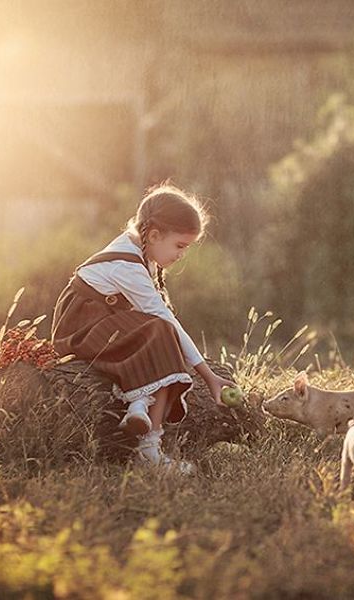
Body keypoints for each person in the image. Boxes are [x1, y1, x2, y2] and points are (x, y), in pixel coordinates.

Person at [51, 183, 235, 472]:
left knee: (159, 332)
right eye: (179, 246)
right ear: (154, 235)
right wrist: (208, 376)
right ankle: (149, 447)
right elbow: (165, 320)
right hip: (82, 328)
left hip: (108, 325)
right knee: (162, 331)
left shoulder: (143, 252)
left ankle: (139, 408)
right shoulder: (128, 266)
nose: (181, 255)